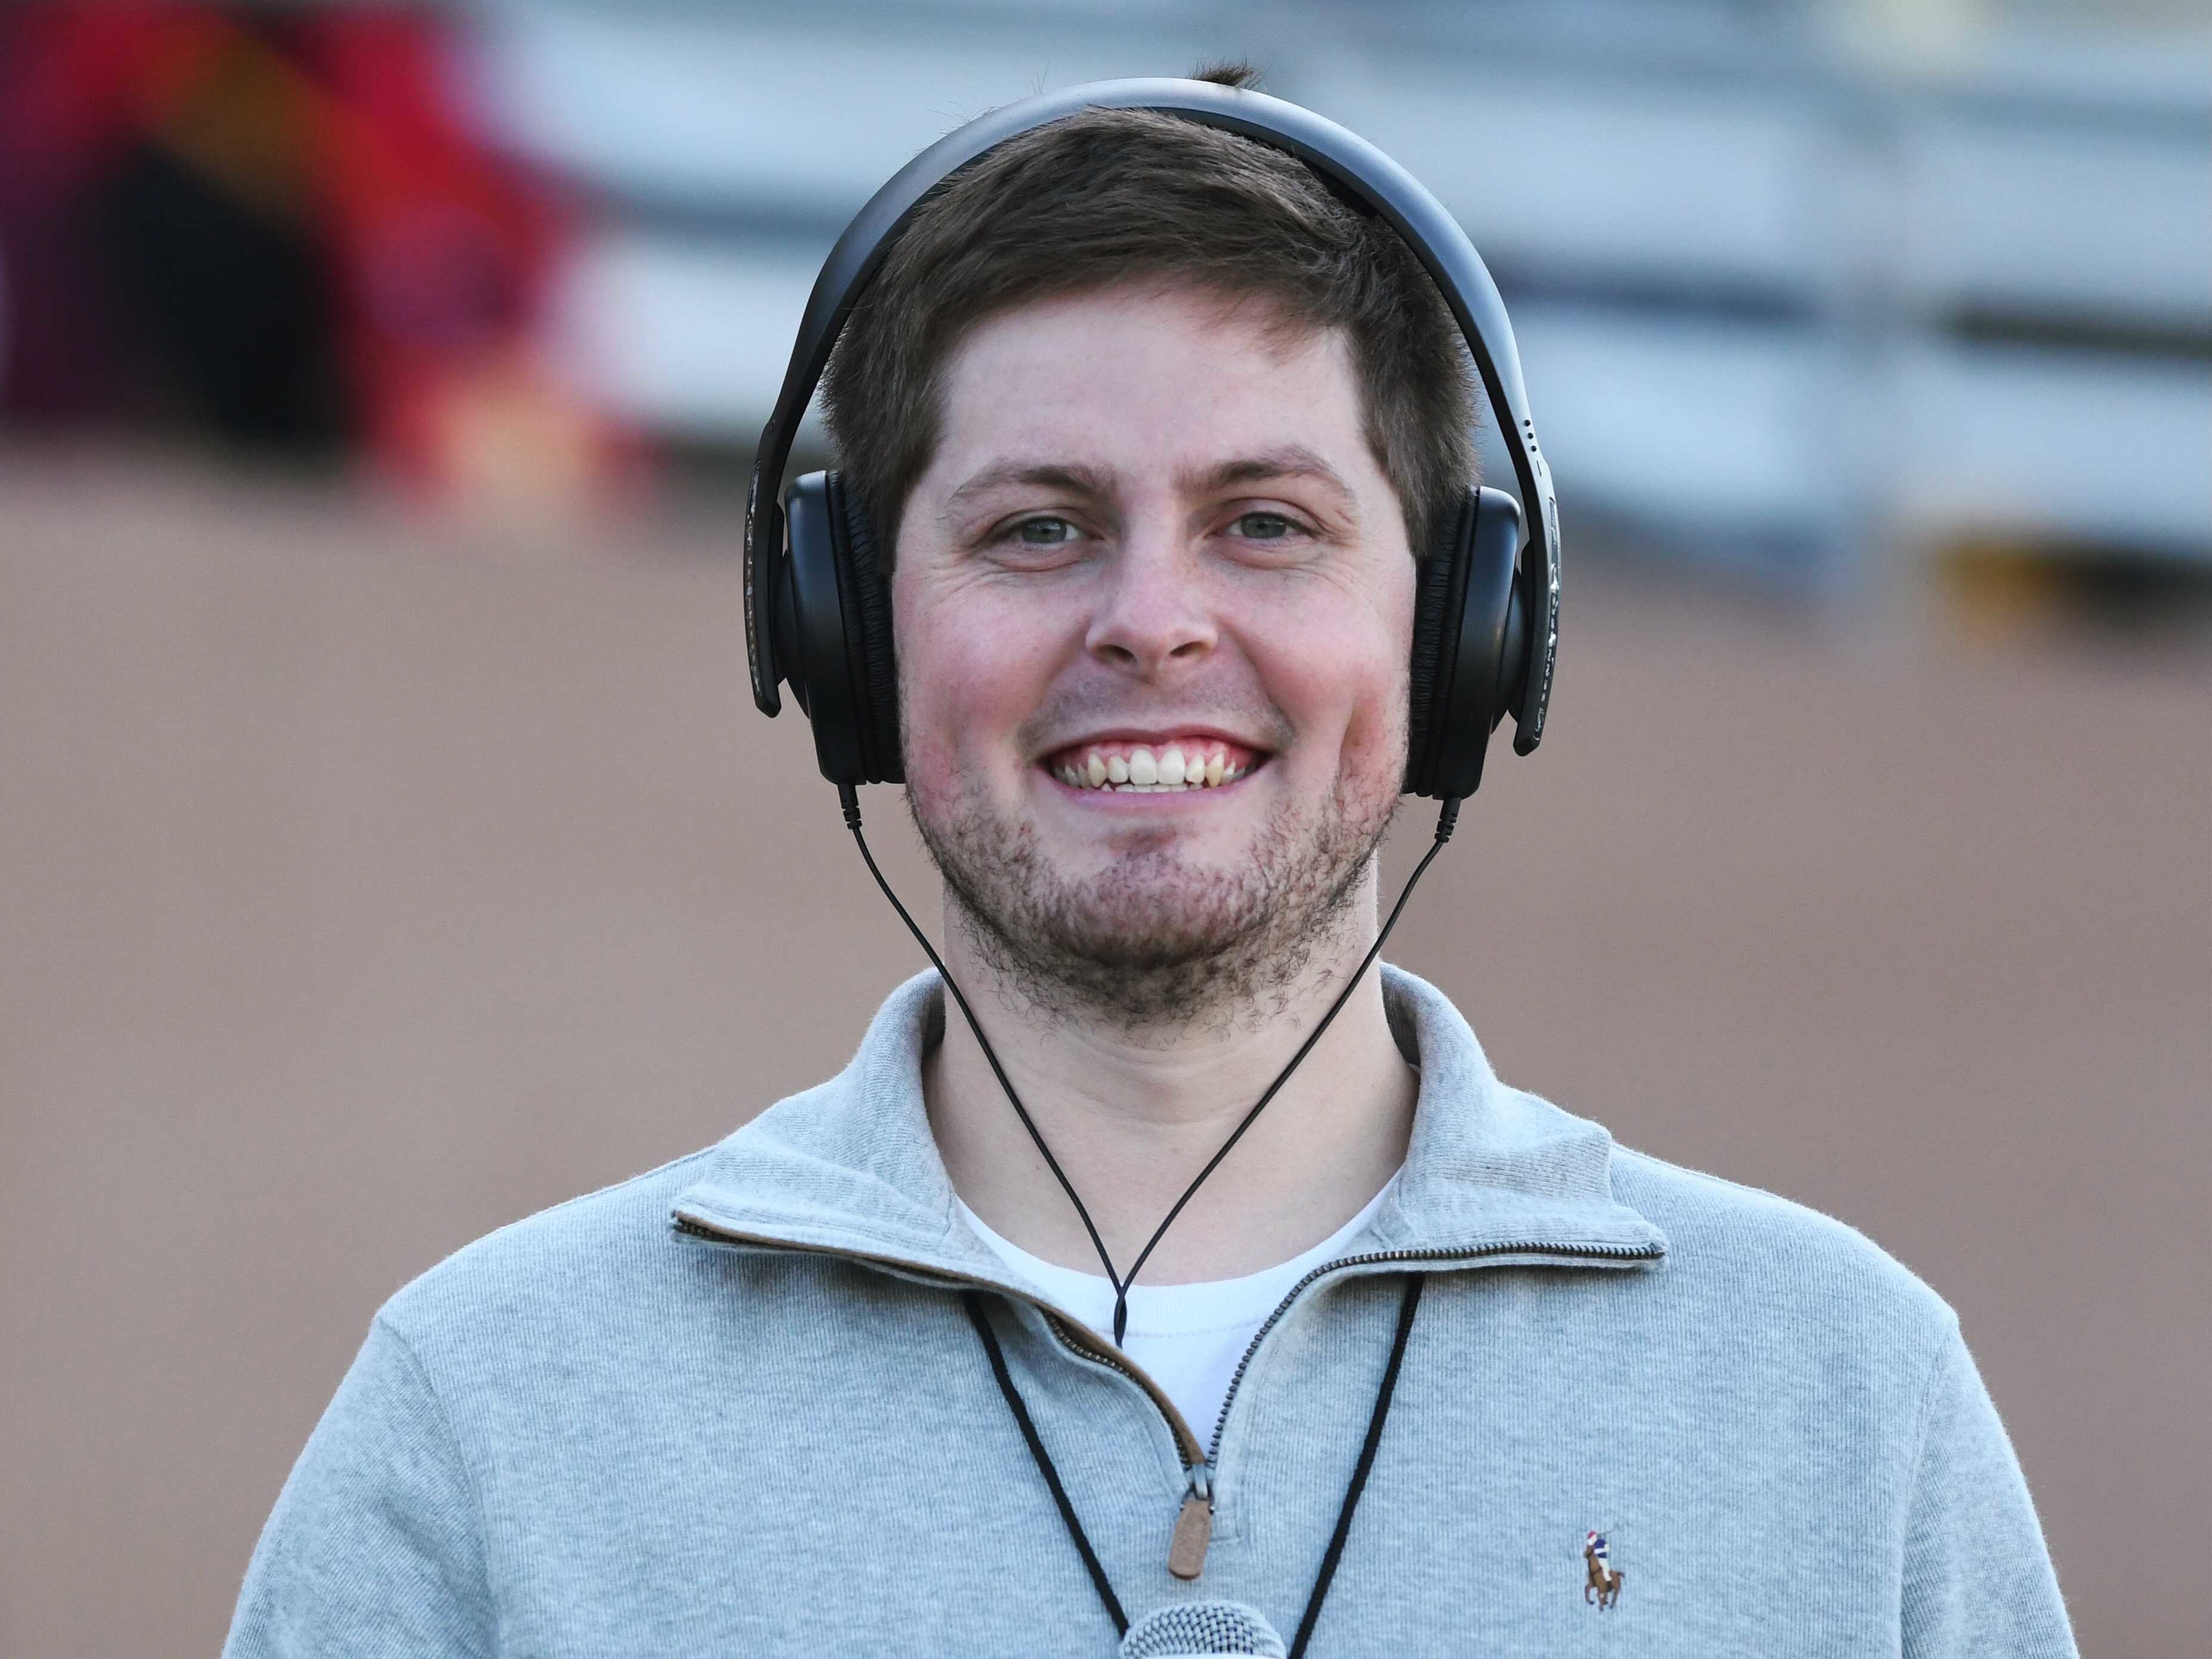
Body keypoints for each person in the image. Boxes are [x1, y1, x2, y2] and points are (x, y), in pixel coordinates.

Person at [225, 68, 2077, 1657]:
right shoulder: (492, 1420)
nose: (1153, 623)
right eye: (1038, 529)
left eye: (1265, 524)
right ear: (849, 637)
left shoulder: (1839, 1406)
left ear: (1465, 635)